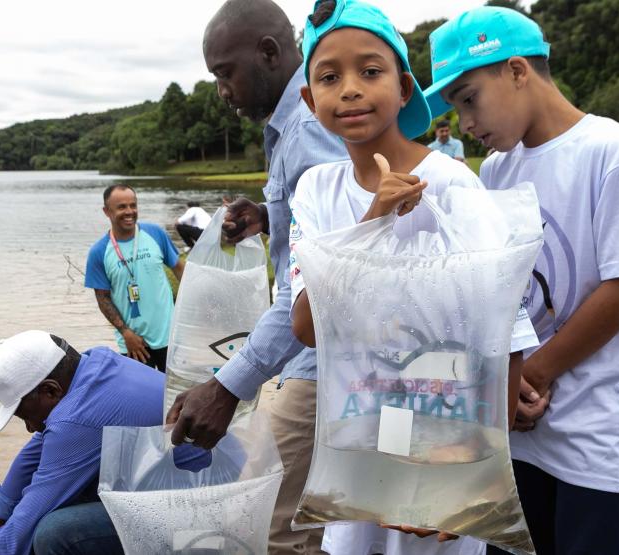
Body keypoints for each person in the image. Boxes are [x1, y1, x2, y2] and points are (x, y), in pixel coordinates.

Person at [287, 2, 537, 553]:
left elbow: (502, 328)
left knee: (427, 539)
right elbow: (307, 325)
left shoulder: (450, 184)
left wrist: (470, 477)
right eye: (329, 77)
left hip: (442, 426)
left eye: (370, 72)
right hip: (359, 431)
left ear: (404, 89)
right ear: (310, 100)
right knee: (358, 541)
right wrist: (372, 221)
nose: (349, 89)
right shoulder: (316, 192)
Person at [426, 7, 619, 554]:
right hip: (523, 424)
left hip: (595, 422)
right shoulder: (497, 170)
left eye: (468, 99)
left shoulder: (610, 150)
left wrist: (532, 373)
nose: (464, 124)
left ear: (515, 71)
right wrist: (508, 390)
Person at [165, 1, 348, 552]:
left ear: (268, 52)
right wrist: (271, 216)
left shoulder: (306, 132)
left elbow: (318, 283)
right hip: (314, 357)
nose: (222, 90)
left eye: (225, 72)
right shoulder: (292, 127)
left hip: (319, 362)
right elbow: (334, 221)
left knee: (275, 530)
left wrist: (227, 386)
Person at [0, 331, 206, 555]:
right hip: (198, 482)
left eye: (25, 416)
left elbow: (27, 519)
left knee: (53, 531)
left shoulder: (77, 419)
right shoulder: (95, 364)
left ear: (50, 391)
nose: (30, 428)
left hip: (205, 507)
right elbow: (24, 469)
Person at [85, 184, 184, 372]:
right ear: (107, 211)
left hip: (170, 337)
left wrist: (195, 309)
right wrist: (126, 333)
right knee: (143, 399)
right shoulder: (99, 252)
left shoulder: (155, 234)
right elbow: (103, 299)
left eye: (133, 205)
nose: (129, 211)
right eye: (122, 207)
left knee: (176, 397)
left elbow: (180, 270)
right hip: (133, 344)